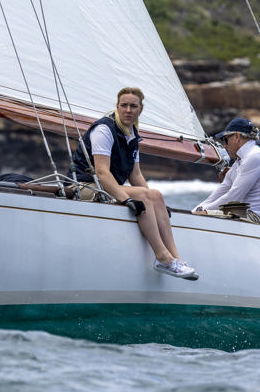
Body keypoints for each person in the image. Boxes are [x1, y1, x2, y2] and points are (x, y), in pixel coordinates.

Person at [70, 87, 198, 280]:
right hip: (84, 185)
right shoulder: (105, 129)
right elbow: (102, 173)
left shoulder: (132, 134)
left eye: (133, 106)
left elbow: (135, 174)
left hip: (106, 186)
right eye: (124, 105)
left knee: (155, 195)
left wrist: (157, 205)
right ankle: (162, 258)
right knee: (145, 196)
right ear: (117, 107)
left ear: (141, 109)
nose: (128, 110)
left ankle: (176, 258)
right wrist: (126, 200)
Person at [193, 118, 260, 227]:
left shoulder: (256, 156)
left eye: (225, 139)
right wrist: (195, 211)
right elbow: (220, 192)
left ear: (236, 137)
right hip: (249, 217)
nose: (224, 145)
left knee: (204, 217)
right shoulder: (240, 161)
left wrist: (202, 212)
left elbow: (234, 197)